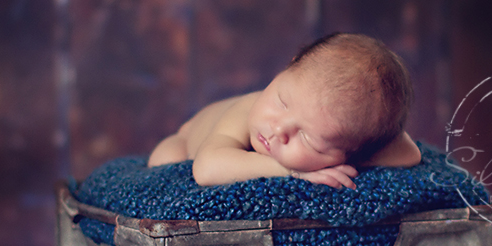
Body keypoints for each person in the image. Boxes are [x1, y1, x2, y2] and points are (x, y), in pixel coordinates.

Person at [147, 32, 422, 188]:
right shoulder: (247, 113)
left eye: (308, 138)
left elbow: (410, 154)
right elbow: (207, 168)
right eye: (282, 101)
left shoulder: (346, 140)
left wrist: (351, 156)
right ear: (287, 69)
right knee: (164, 162)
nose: (277, 129)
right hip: (188, 140)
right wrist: (295, 170)